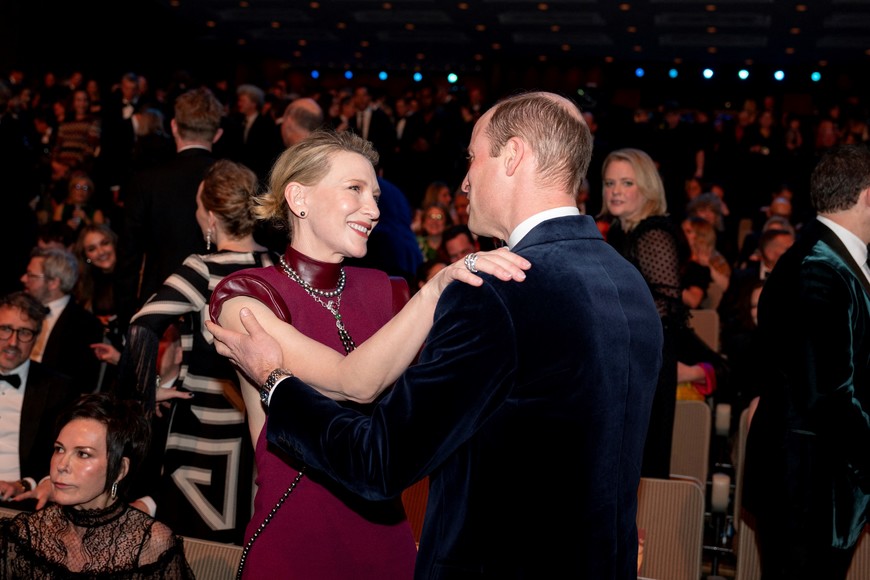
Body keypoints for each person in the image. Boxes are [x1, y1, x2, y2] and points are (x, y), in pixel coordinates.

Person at [207, 92, 663, 578]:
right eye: (354, 189)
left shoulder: (498, 292)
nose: (465, 180)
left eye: (473, 158)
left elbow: (381, 460)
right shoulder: (626, 279)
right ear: (298, 197)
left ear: (512, 157)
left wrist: (273, 381)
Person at [113, 159, 275, 543]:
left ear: (213, 216)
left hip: (200, 434)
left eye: (199, 207)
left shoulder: (201, 269)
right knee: (243, 542)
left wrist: (144, 392)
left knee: (188, 547)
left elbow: (141, 326)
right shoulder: (277, 267)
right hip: (263, 429)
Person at [743, 144, 870, 579]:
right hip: (808, 489)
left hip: (813, 483)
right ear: (868, 196)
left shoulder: (827, 257)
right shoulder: (819, 266)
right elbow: (830, 396)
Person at [0, 393, 195, 578]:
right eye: (59, 449)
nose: (61, 465)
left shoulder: (151, 543)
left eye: (83, 454)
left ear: (120, 469)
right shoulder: (26, 534)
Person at [601, 147, 687, 478]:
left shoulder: (652, 233)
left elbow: (667, 303)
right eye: (610, 183)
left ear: (647, 187)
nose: (615, 191)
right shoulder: (624, 231)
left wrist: (614, 321)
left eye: (626, 182)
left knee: (641, 460)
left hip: (646, 361)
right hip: (631, 357)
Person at [116, 86, 224, 331]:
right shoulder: (232, 180)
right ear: (217, 134)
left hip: (159, 304)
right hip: (215, 305)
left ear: (174, 126)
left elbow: (128, 258)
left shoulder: (146, 181)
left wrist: (126, 320)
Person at [0, 292, 80, 512]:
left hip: (23, 502)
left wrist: (28, 483)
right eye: (5, 329)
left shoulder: (58, 389)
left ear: (37, 337)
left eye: (24, 332)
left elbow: (65, 455)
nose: (12, 342)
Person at [21, 247, 105, 392]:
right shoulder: (19, 311)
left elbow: (84, 384)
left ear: (53, 283)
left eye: (31, 275)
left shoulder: (86, 324)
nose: (23, 279)